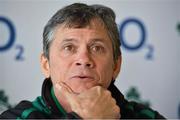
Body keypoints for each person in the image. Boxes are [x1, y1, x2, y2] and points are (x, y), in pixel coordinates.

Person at [0, 3, 165, 119]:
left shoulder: (147, 117)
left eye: (97, 48)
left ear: (116, 65)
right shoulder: (17, 118)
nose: (84, 60)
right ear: (46, 65)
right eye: (69, 47)